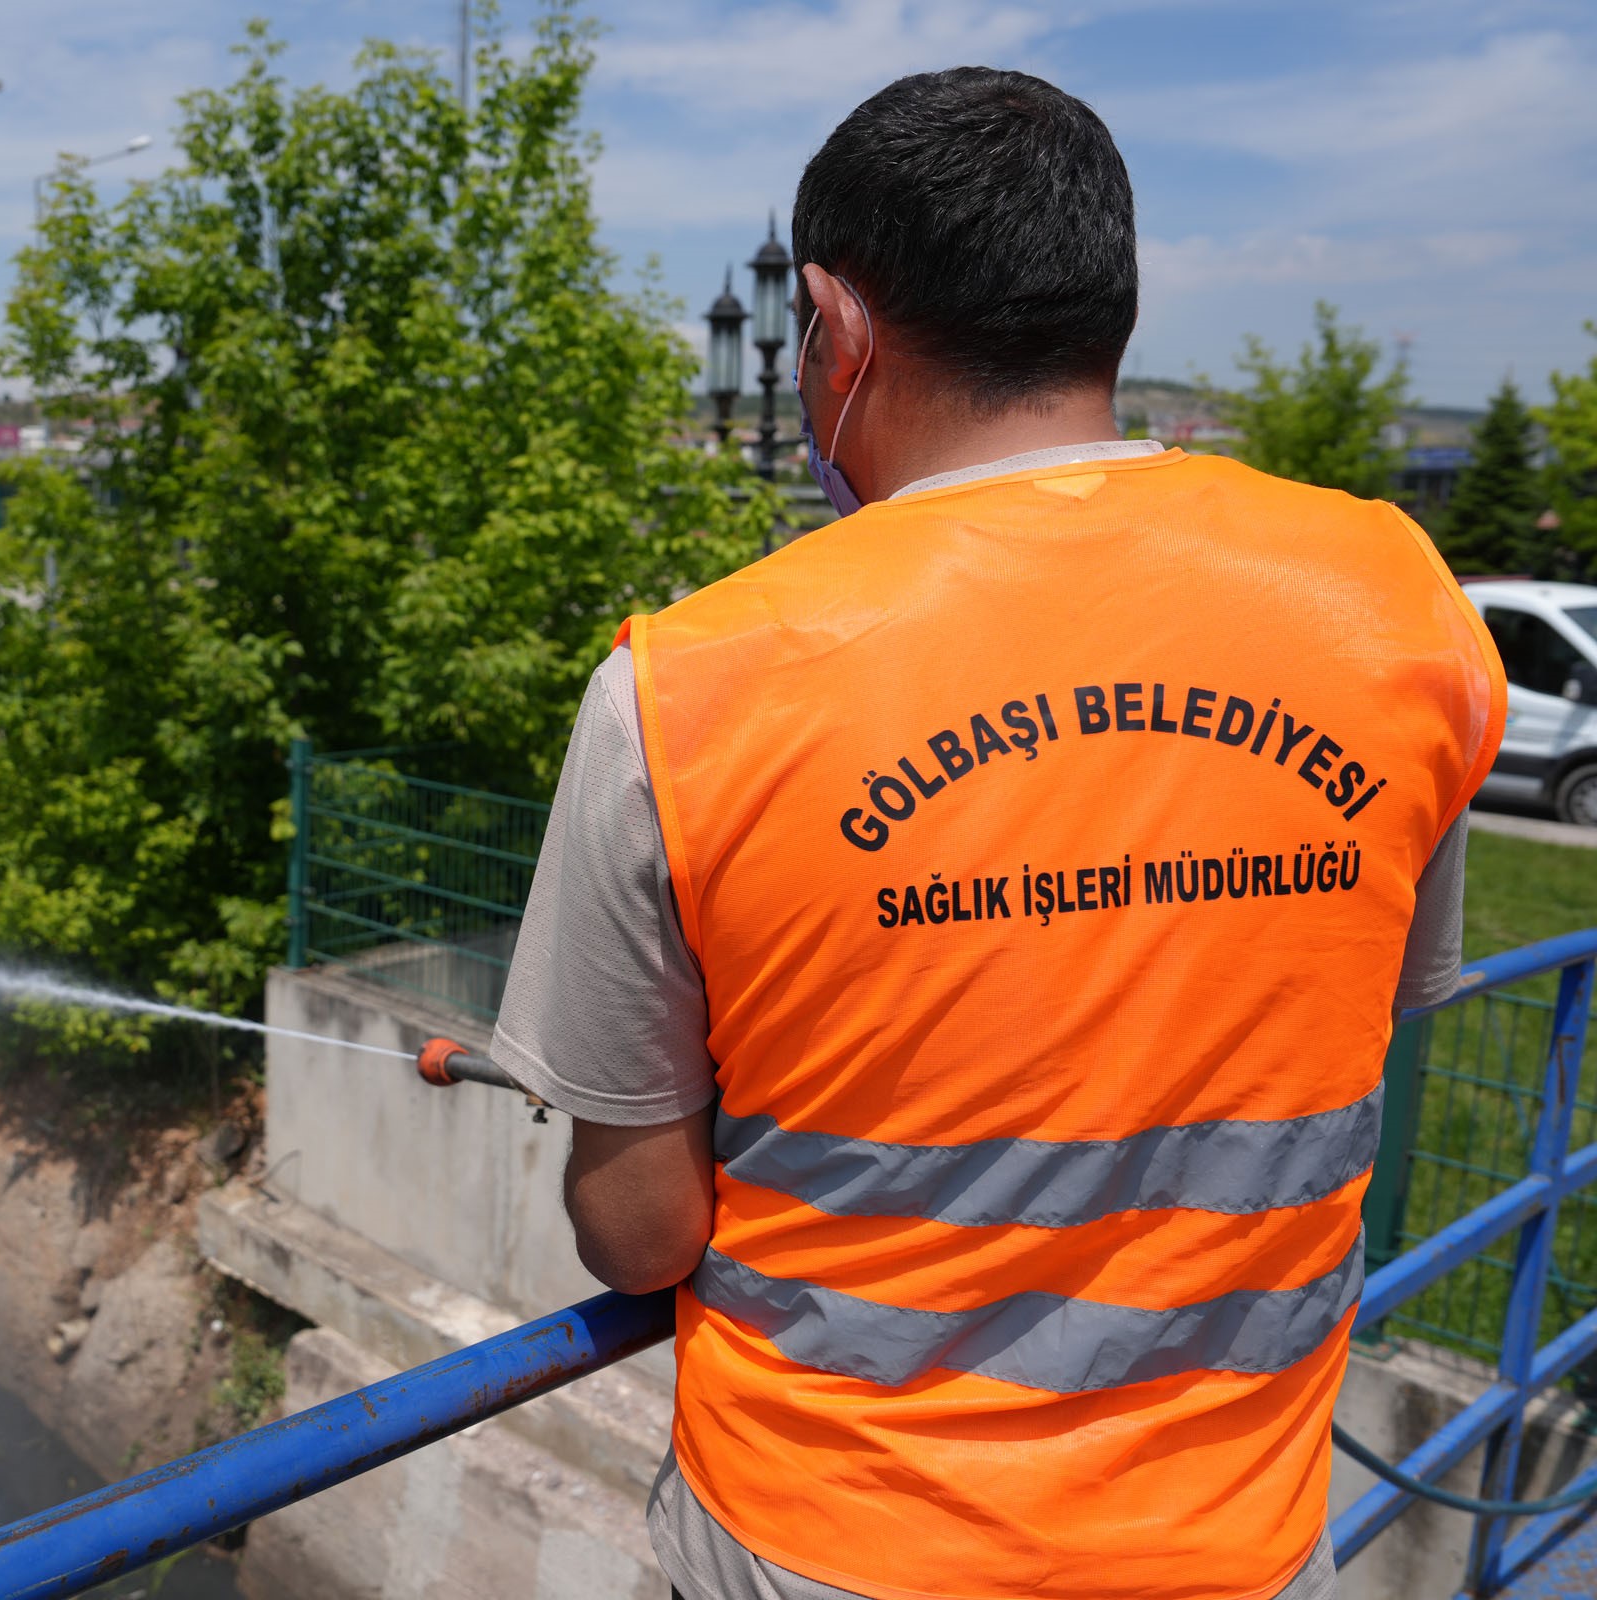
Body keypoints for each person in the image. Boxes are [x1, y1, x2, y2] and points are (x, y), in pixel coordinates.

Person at [487, 67, 1504, 1600]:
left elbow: (640, 1238)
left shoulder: (690, 685)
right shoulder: (1395, 606)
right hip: (1245, 1543)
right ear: (1110, 304)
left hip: (829, 1545)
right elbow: (1349, 1014)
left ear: (834, 327)